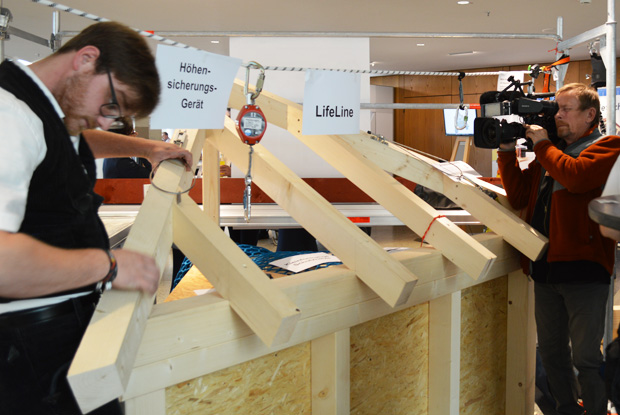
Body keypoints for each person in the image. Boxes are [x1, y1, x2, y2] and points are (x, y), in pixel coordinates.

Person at [0, 21, 192, 415]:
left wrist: (148, 149)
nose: (105, 121)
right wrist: (108, 265)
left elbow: (68, 139)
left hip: (55, 332)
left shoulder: (44, 108)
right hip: (25, 349)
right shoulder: (8, 116)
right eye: (110, 105)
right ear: (86, 59)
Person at [497, 83, 620, 415]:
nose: (557, 116)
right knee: (552, 353)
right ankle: (566, 410)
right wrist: (506, 151)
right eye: (556, 109)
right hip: (545, 269)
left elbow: (577, 178)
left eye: (565, 109)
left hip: (585, 271)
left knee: (586, 358)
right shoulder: (550, 155)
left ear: (590, 114)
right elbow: (519, 196)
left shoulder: (606, 146)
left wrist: (542, 144)